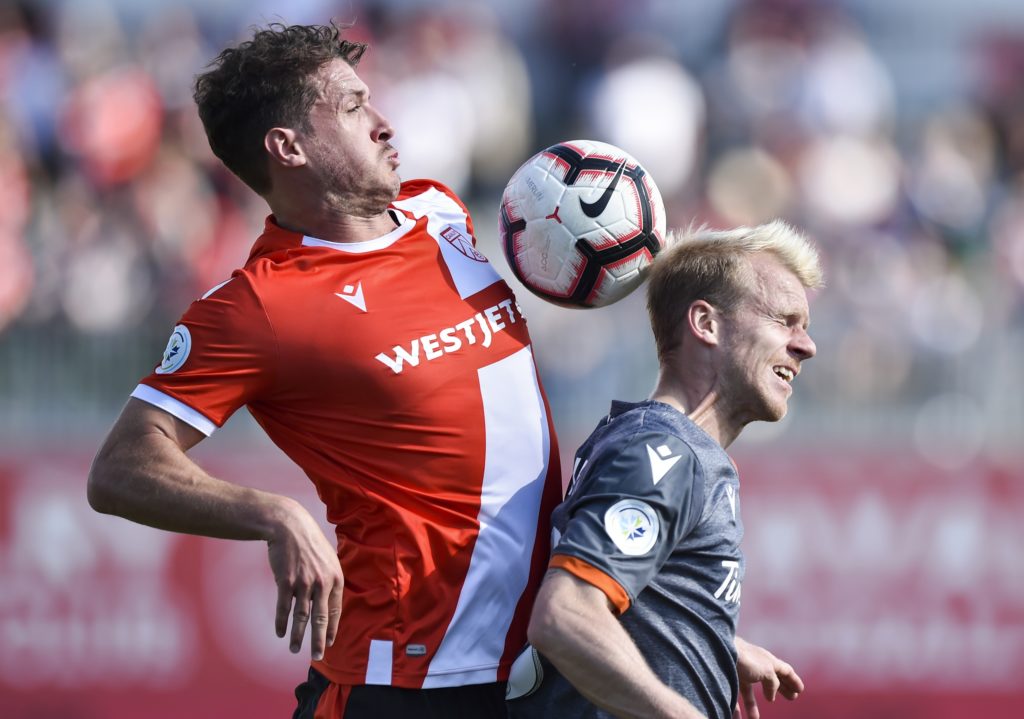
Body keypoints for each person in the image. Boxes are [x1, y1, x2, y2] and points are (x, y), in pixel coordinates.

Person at [86, 22, 562, 719]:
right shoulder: (258, 305)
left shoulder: (441, 213)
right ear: (288, 146)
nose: (382, 122)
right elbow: (119, 467)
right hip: (404, 681)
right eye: (351, 106)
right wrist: (271, 512)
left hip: (542, 660)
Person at [508, 221, 821, 719]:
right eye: (785, 320)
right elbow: (565, 615)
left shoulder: (661, 444)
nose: (806, 346)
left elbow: (616, 586)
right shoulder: (665, 452)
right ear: (706, 323)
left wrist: (712, 644)